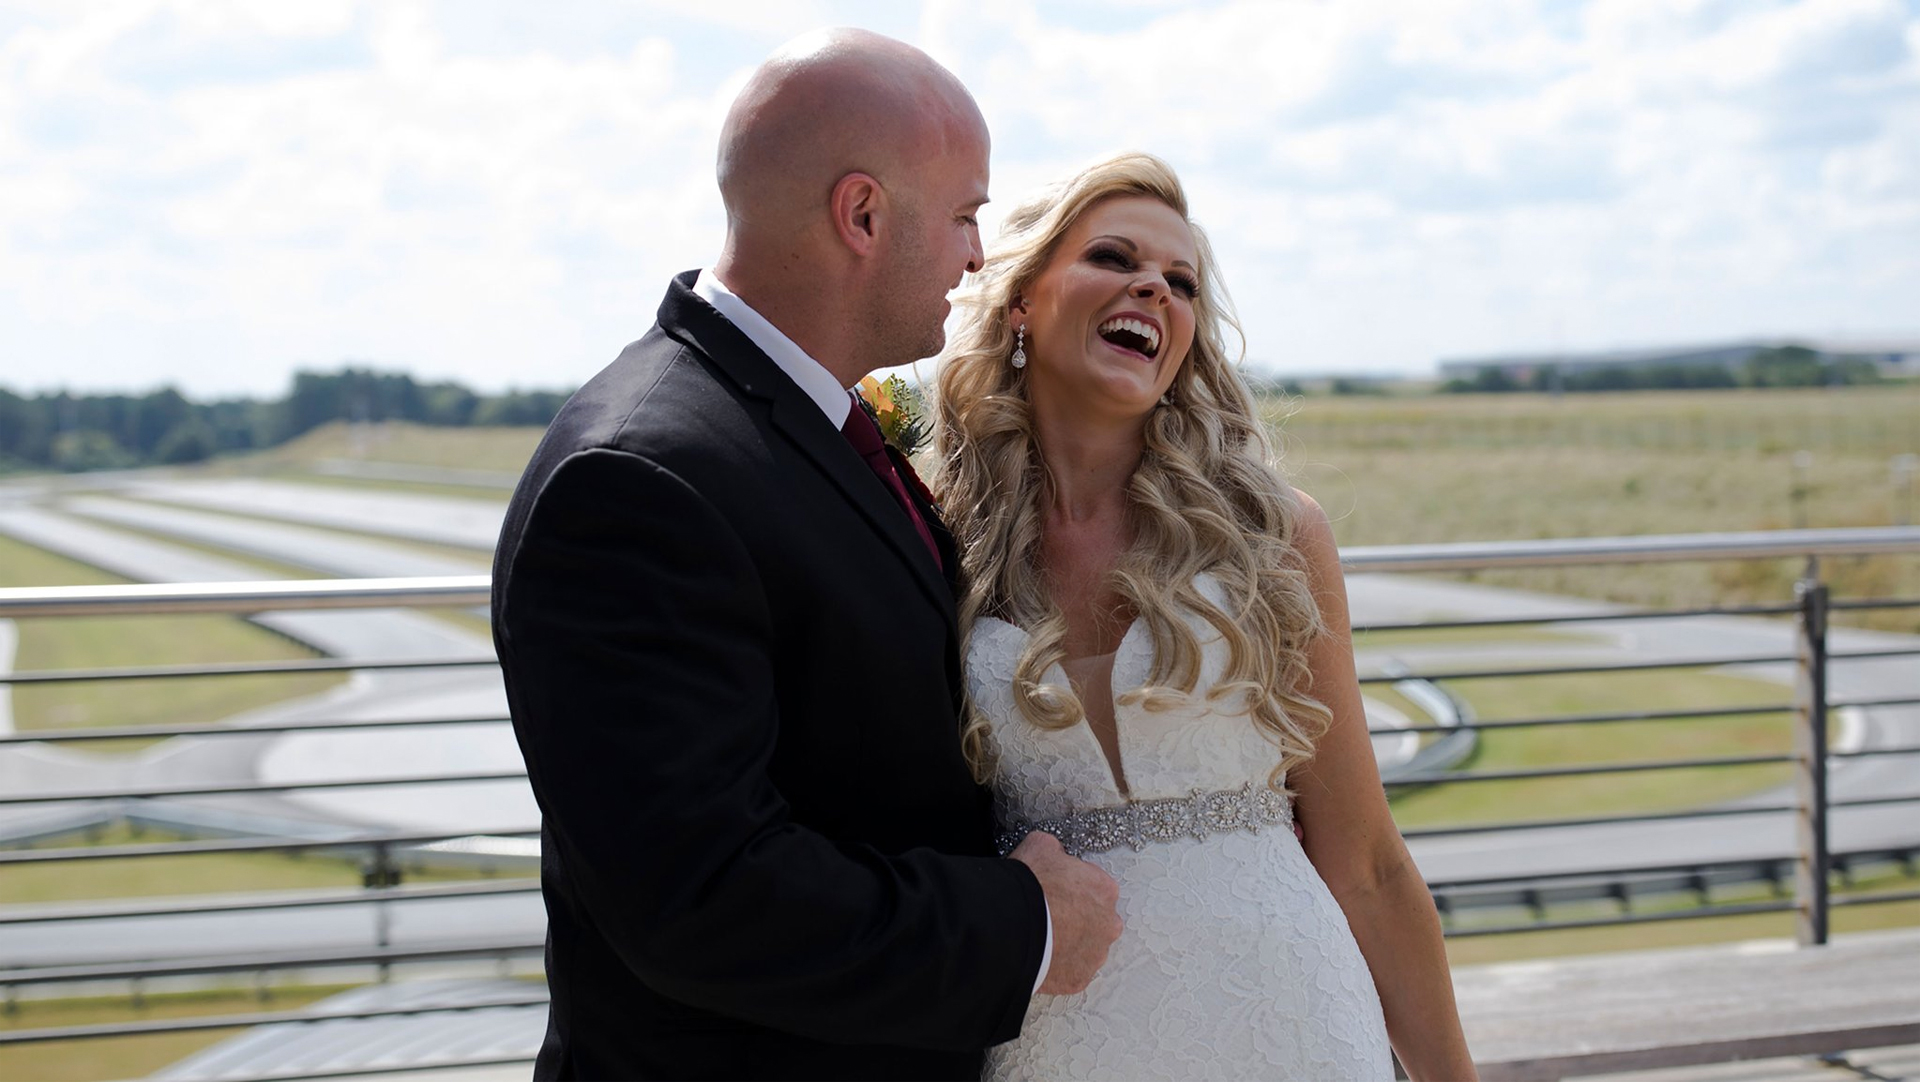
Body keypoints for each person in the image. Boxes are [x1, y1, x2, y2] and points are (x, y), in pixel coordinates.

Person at [491, 29, 1122, 1081]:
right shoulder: (640, 478)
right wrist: (1026, 925)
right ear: (862, 215)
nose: (978, 255)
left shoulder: (785, 425)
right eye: (964, 214)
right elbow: (699, 893)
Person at [933, 151, 1478, 1080]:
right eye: (1113, 257)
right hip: (1061, 1038)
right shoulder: (941, 545)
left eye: (1180, 282)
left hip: (1289, 1019)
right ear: (1020, 300)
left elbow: (1368, 864)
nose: (1154, 286)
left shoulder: (1271, 535)